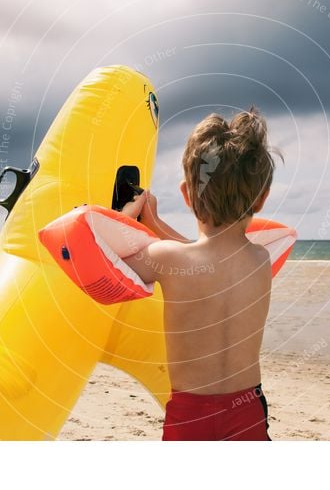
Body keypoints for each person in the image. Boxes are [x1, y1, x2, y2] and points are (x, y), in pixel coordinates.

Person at [119, 106, 282, 441]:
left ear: (186, 194)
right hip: (247, 410)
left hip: (190, 417)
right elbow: (208, 259)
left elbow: (115, 258)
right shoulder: (260, 260)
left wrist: (127, 215)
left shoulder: (168, 258)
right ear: (262, 198)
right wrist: (156, 225)